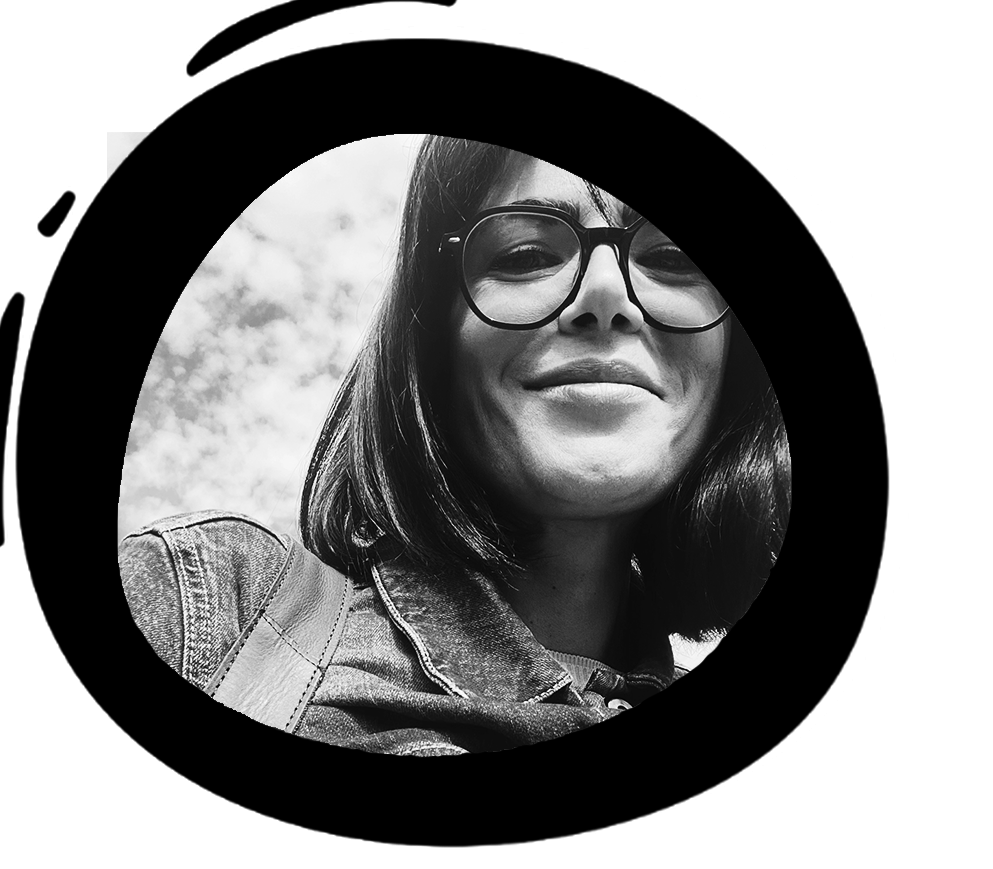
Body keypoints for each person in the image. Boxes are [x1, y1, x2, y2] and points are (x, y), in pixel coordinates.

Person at [119, 135, 790, 756]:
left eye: (673, 258)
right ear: (432, 342)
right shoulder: (211, 611)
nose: (607, 292)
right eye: (525, 255)